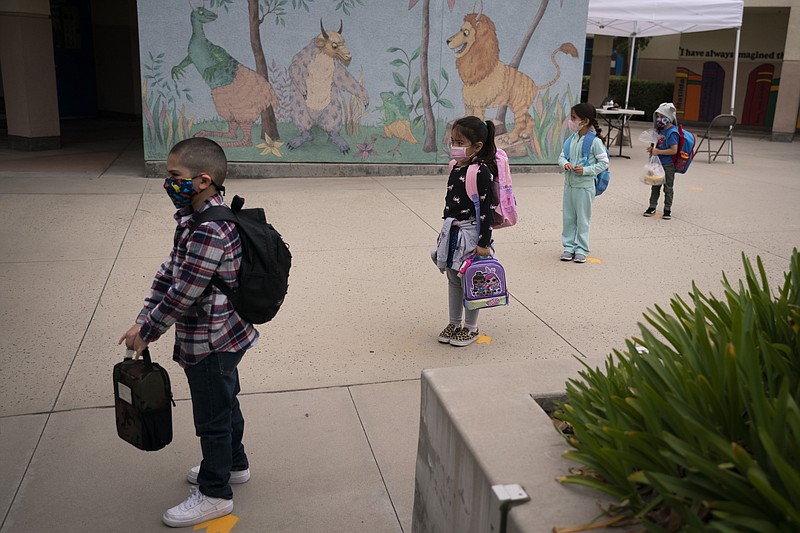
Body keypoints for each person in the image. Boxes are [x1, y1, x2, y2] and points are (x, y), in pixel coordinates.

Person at [118, 137, 258, 528]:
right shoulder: (194, 217)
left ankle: (216, 494)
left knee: (212, 416)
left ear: (203, 180)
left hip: (211, 340)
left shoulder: (208, 229)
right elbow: (170, 272)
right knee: (226, 401)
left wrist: (148, 330)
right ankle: (234, 464)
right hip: (224, 334)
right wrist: (145, 315)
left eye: (174, 175)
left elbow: (185, 293)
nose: (168, 182)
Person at [432, 116, 497, 347]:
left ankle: (471, 327)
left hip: (472, 234)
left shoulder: (481, 172)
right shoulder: (455, 167)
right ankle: (454, 322)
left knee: (471, 279)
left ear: (477, 146)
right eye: (453, 141)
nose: (454, 147)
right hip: (452, 232)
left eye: (460, 143)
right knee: (453, 277)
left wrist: (484, 244)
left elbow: (487, 211)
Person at [558, 102, 609, 263]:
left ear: (584, 121)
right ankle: (568, 247)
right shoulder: (571, 140)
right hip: (570, 186)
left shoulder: (595, 142)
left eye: (574, 118)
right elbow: (562, 156)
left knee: (583, 219)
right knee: (568, 217)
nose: (571, 121)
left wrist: (586, 170)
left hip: (585, 187)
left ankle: (581, 248)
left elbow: (604, 163)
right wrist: (563, 163)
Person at [643, 102, 680, 220]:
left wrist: (658, 152)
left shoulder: (672, 132)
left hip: (668, 164)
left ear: (669, 118)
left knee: (668, 187)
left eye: (663, 117)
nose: (659, 119)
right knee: (655, 185)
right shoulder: (659, 130)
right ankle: (652, 206)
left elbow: (674, 150)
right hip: (657, 164)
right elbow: (657, 146)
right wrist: (652, 150)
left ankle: (667, 209)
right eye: (658, 116)